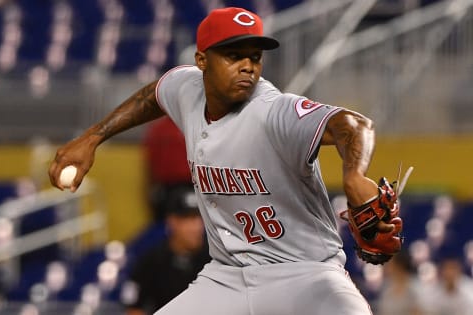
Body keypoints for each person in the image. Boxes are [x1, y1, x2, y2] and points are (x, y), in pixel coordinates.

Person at [49, 7, 399, 314]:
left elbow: (353, 125)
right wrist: (93, 136)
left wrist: (354, 175)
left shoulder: (274, 111)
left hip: (305, 273)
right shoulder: (187, 88)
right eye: (234, 56)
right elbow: (152, 95)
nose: (248, 67)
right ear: (202, 60)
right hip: (227, 276)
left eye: (255, 57)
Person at [122, 184, 210, 315]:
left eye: (199, 218)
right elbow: (134, 307)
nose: (196, 227)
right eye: (189, 219)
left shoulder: (215, 258)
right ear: (172, 221)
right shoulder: (152, 261)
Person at [375, 249, 424, 315]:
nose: (385, 265)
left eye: (389, 262)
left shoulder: (417, 288)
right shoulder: (386, 288)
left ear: (399, 265)